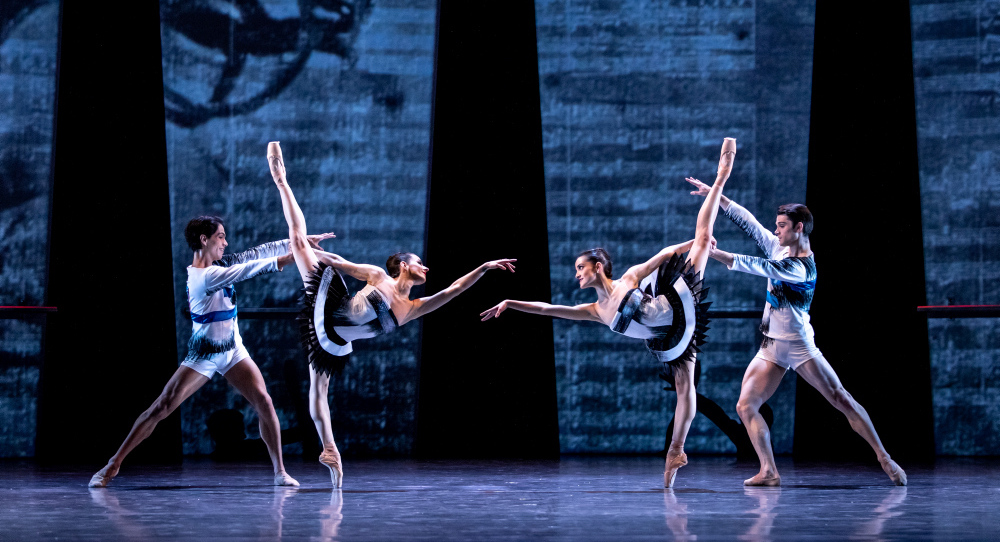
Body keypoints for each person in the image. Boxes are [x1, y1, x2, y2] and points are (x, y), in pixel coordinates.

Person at [481, 138, 737, 487]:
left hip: (675, 304)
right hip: (669, 336)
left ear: (598, 266)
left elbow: (661, 257)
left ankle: (721, 176)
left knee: (704, 237)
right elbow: (550, 309)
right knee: (683, 386)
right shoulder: (594, 310)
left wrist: (688, 246)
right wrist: (512, 303)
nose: (577, 274)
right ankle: (676, 451)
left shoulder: (628, 278)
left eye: (580, 268)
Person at [265, 141, 516, 488]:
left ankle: (329, 450)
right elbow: (340, 264)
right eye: (419, 262)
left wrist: (484, 268)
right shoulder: (378, 275)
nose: (425, 267)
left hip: (333, 338)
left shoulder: (413, 308)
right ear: (402, 265)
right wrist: (308, 249)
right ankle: (281, 178)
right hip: (329, 305)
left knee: (319, 391)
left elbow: (453, 290)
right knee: (296, 239)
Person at [684, 178, 907, 486]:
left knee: (841, 398)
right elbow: (748, 223)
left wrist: (712, 253)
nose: (776, 231)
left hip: (799, 345)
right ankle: (769, 471)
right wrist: (716, 195)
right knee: (745, 405)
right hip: (771, 346)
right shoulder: (779, 246)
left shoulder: (802, 268)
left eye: (782, 226)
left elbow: (757, 266)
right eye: (776, 226)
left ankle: (884, 457)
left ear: (799, 228)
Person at [89, 216, 303, 488]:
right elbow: (251, 268)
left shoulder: (219, 264)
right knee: (163, 406)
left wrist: (298, 242)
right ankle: (113, 464)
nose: (225, 243)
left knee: (264, 401)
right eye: (221, 237)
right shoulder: (204, 276)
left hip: (232, 348)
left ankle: (280, 472)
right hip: (205, 352)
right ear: (205, 240)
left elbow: (258, 252)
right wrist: (290, 257)